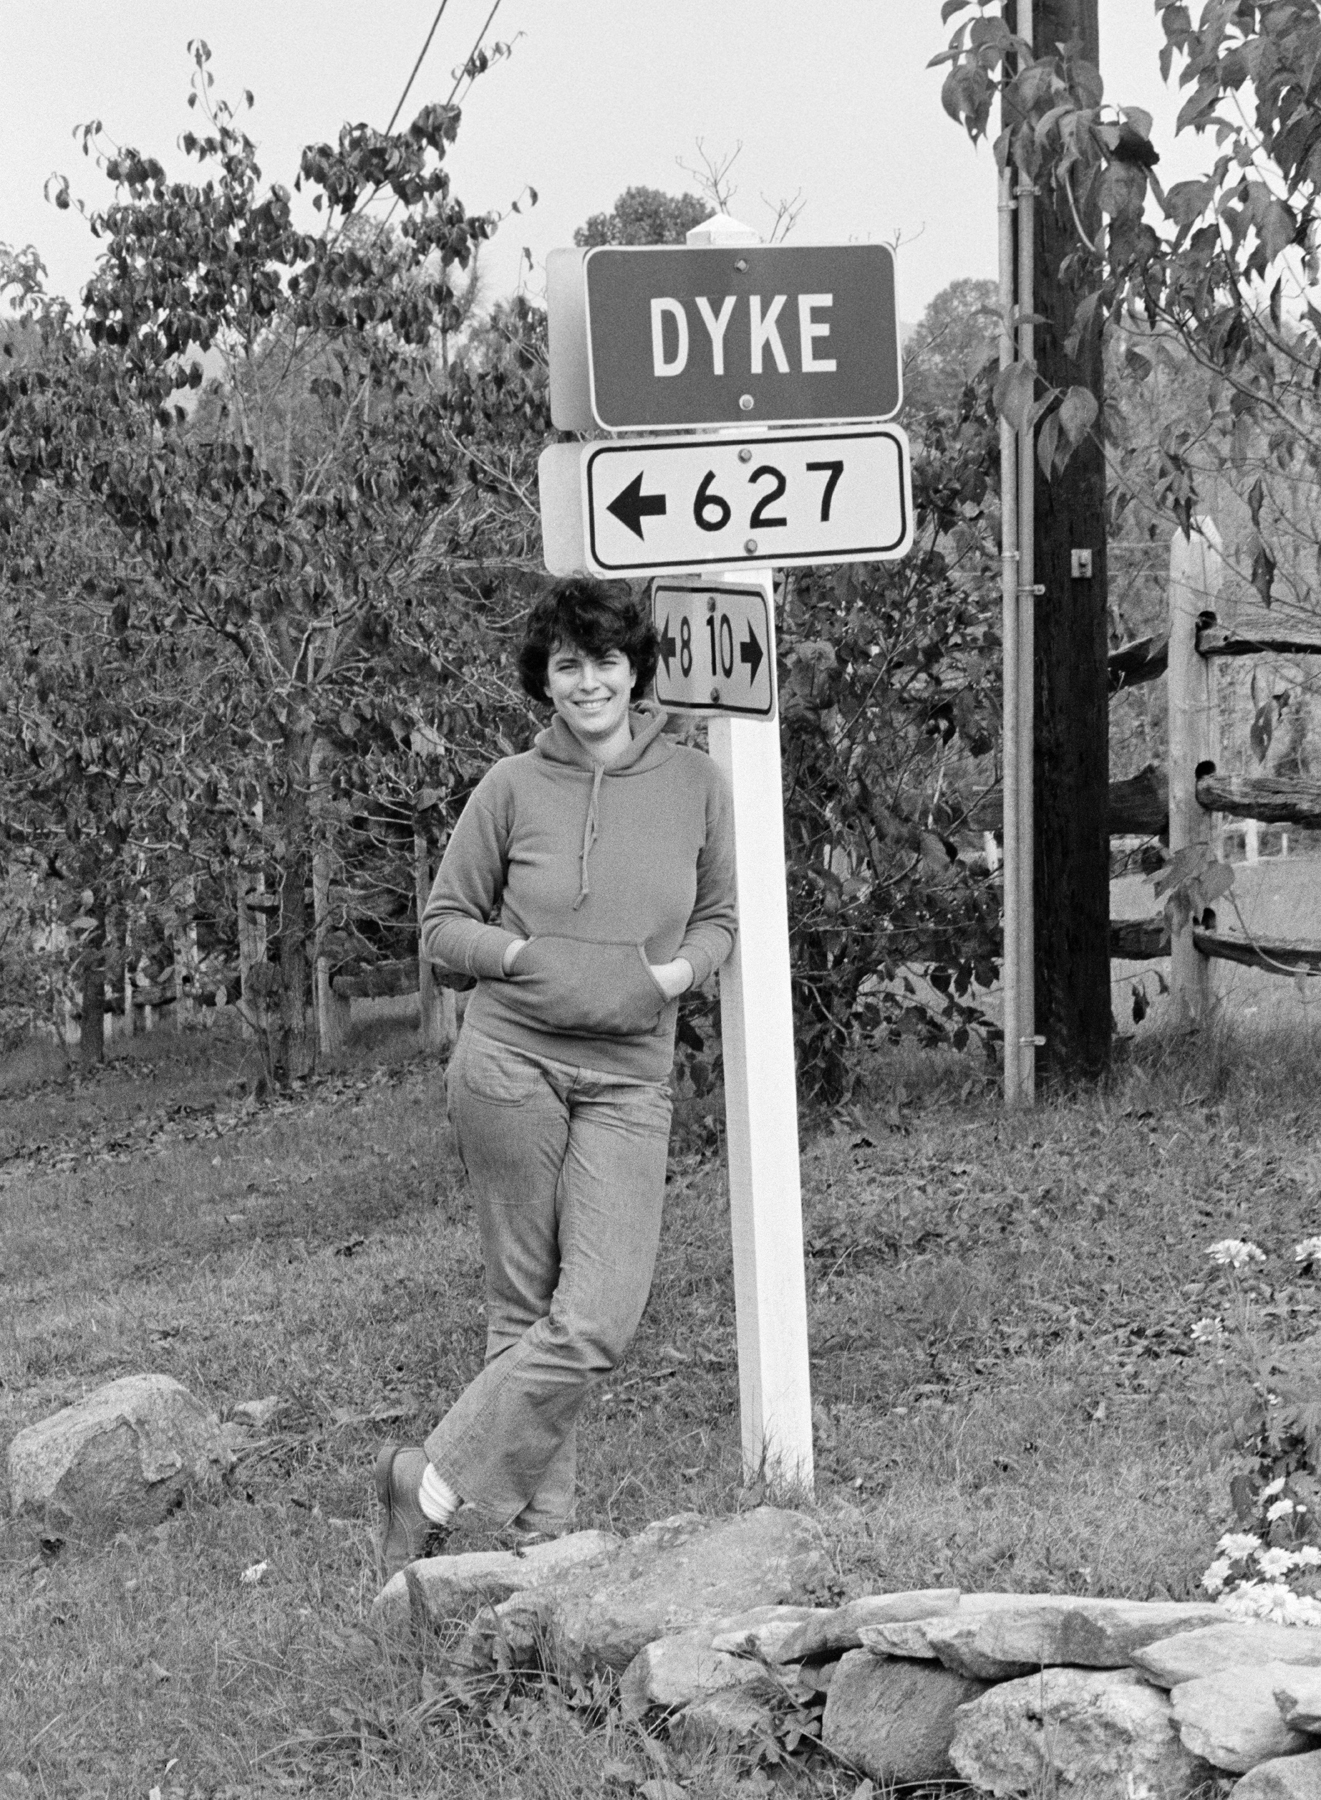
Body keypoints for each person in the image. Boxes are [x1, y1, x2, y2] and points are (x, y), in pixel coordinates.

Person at [374, 576, 738, 1579]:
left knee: (596, 1315)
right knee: (524, 1305)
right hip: (509, 1064)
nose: (587, 682)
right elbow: (444, 924)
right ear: (545, 676)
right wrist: (527, 961)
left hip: (629, 1078)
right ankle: (551, 1552)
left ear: (636, 669)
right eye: (567, 664)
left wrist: (667, 976)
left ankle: (433, 1481)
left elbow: (720, 918)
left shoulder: (698, 785)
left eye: (605, 660)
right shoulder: (509, 787)